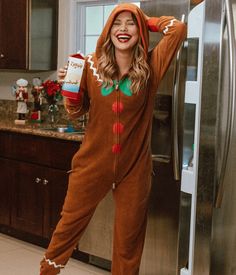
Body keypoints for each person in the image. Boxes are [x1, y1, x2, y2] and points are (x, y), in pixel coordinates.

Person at [40, 3, 186, 275]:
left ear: (139, 30)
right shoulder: (89, 66)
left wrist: (145, 18)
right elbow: (76, 111)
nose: (123, 29)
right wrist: (69, 89)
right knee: (67, 229)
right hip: (92, 165)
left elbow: (177, 29)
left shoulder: (151, 67)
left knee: (129, 242)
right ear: (108, 32)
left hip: (135, 170)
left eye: (130, 24)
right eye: (117, 24)